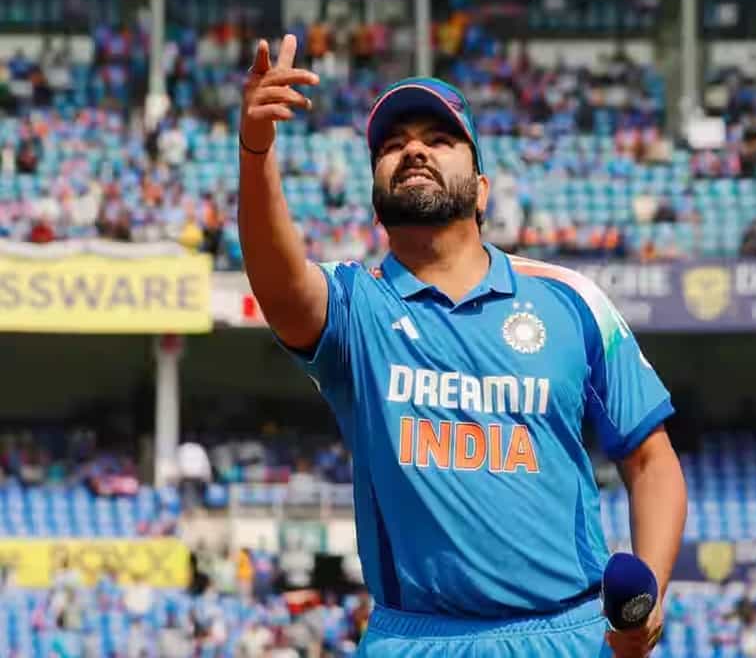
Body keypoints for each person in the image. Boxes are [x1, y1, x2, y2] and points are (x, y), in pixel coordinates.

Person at [237, 35, 686, 657]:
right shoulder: (356, 305)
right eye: (391, 145)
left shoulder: (571, 301)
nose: (413, 149)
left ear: (481, 189)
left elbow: (651, 461)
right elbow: (279, 284)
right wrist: (256, 148)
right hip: (414, 639)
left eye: (439, 139)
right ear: (374, 198)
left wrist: (651, 592)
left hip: (566, 636)